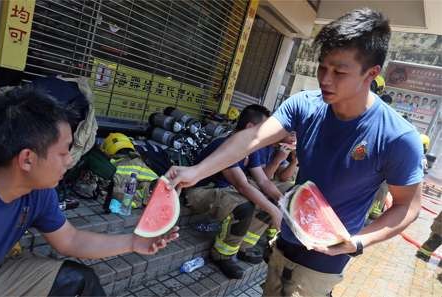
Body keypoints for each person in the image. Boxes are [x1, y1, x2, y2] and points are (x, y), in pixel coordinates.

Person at [166, 8, 423, 297]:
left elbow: (408, 207)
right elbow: (252, 138)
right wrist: (196, 171)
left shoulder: (398, 137)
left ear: (371, 73)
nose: (325, 79)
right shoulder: (305, 104)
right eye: (322, 67)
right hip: (285, 241)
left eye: (339, 72)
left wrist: (359, 241)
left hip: (326, 260)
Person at [0, 87, 179, 296]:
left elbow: (70, 240)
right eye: (64, 152)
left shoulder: (36, 190)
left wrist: (133, 242)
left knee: (80, 281)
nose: (70, 160)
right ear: (27, 159)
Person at [185, 104, 283, 279]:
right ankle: (222, 255)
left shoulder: (250, 147)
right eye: (265, 128)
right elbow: (242, 185)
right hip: (200, 191)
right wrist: (273, 210)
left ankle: (242, 247)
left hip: (225, 190)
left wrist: (281, 201)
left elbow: (263, 180)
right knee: (244, 206)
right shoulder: (225, 145)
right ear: (250, 128)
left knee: (270, 200)